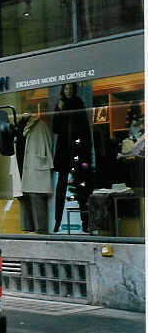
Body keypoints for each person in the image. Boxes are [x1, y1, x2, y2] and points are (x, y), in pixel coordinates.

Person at [51, 83, 93, 232]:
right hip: (64, 151)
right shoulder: (60, 104)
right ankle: (57, 222)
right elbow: (55, 129)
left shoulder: (78, 104)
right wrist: (59, 111)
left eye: (70, 88)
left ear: (74, 89)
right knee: (61, 188)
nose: (68, 91)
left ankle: (85, 222)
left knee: (81, 186)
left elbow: (84, 130)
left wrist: (86, 154)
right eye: (66, 88)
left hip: (78, 149)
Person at [18, 105, 53, 234]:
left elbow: (48, 147)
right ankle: (27, 229)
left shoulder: (40, 126)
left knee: (36, 197)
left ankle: (40, 229)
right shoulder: (19, 125)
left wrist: (46, 163)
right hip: (22, 167)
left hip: (35, 168)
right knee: (24, 198)